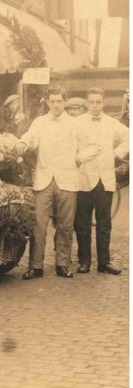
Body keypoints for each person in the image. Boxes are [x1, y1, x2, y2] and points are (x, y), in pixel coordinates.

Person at [17, 86, 80, 279]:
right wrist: (23, 143)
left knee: (65, 225)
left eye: (59, 101)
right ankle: (36, 266)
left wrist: (80, 158)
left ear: (64, 102)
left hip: (67, 179)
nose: (55, 105)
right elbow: (31, 138)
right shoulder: (40, 122)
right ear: (47, 102)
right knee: (39, 225)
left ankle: (62, 263)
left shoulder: (74, 124)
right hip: (44, 179)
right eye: (52, 101)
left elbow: (87, 144)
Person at [74, 88, 129, 275]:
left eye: (98, 102)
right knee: (82, 223)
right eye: (92, 102)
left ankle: (104, 263)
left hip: (105, 179)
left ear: (104, 103)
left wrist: (116, 153)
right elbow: (69, 145)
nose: (95, 106)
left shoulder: (111, 123)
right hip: (84, 178)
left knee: (104, 223)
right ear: (87, 104)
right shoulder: (77, 123)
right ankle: (84, 262)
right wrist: (78, 156)